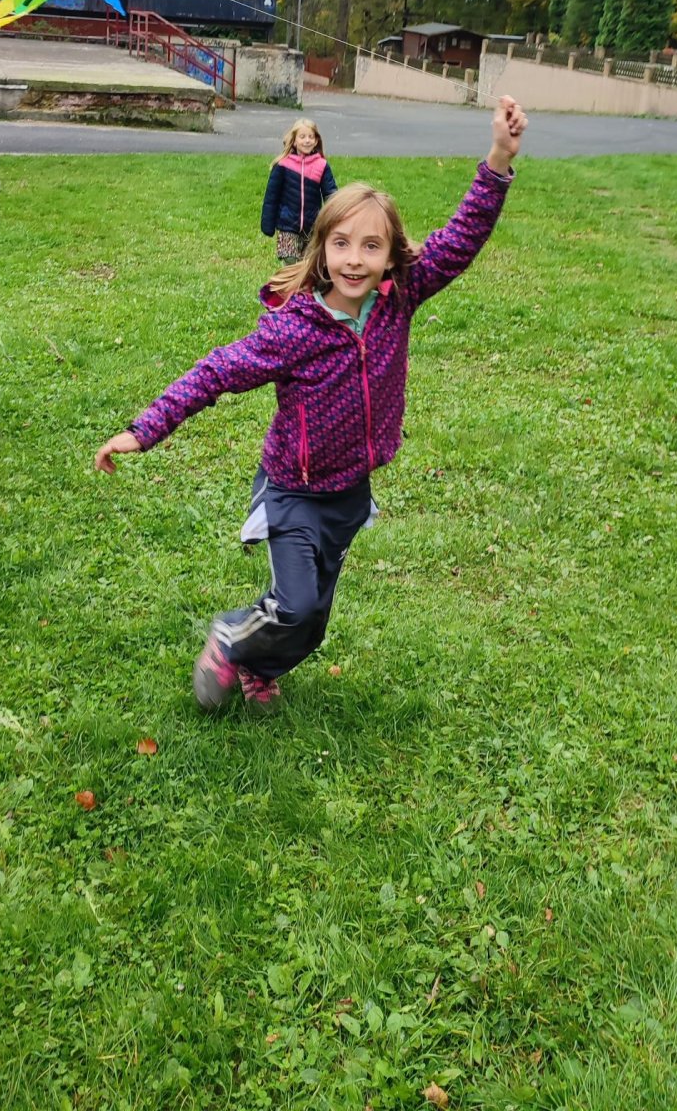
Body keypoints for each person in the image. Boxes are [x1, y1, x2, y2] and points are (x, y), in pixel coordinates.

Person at [95, 95, 528, 710]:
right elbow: (217, 372)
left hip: (348, 491)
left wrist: (499, 159)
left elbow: (461, 239)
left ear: (391, 255)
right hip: (293, 490)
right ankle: (230, 637)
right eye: (342, 243)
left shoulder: (399, 298)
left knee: (313, 622)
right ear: (320, 249)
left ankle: (260, 669)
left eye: (371, 246)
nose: (355, 259)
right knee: (294, 605)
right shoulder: (293, 329)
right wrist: (144, 429)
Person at [260, 118, 337, 264]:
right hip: (287, 224)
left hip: (312, 225)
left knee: (308, 263)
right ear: (294, 141)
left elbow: (331, 194)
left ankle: (303, 278)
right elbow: (271, 197)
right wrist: (267, 224)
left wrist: (336, 218)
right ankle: (291, 278)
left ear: (316, 141)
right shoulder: (283, 165)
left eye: (311, 137)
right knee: (290, 259)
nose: (307, 140)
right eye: (302, 137)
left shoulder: (321, 165)